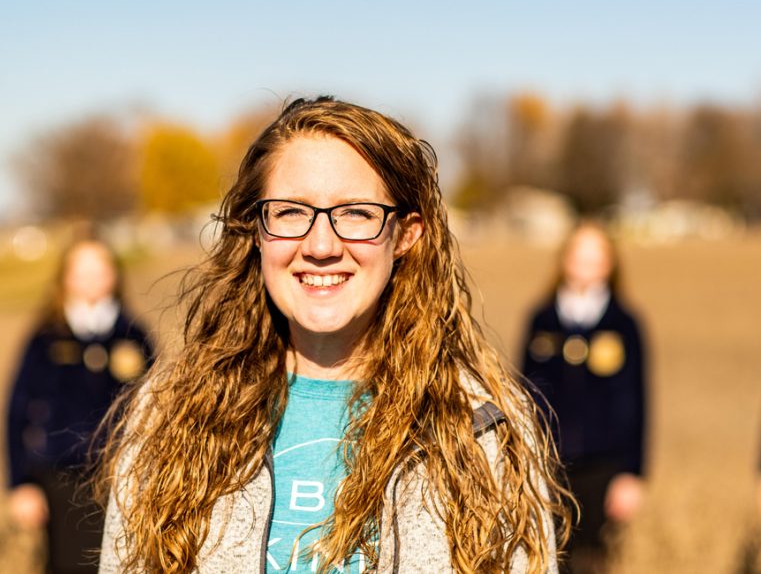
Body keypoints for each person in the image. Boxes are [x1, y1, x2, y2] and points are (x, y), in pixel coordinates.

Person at [96, 96, 571, 573]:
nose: (321, 245)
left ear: (406, 234)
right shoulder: (168, 416)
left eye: (356, 213)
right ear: (257, 231)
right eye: (290, 212)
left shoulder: (484, 426)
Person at [6, 237, 156, 574]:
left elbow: (157, 409)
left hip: (122, 481)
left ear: (115, 275)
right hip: (60, 480)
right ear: (66, 278)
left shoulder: (133, 335)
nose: (92, 278)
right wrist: (19, 484)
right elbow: (15, 412)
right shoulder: (45, 338)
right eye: (82, 270)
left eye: (100, 269)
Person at [519, 222, 647, 573]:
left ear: (611, 263)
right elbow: (524, 393)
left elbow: (637, 402)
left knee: (592, 562)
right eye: (579, 254)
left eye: (596, 256)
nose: (586, 263)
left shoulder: (625, 324)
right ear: (564, 260)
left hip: (604, 466)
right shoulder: (541, 319)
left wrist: (631, 474)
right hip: (548, 463)